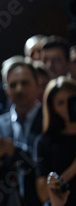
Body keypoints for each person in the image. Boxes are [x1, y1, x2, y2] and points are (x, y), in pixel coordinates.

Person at [0, 56, 43, 206]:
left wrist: (17, 152)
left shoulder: (49, 121)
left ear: (38, 85)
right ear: (6, 90)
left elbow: (52, 164)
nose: (19, 89)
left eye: (25, 83)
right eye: (13, 85)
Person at [34, 77, 76, 205]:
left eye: (71, 100)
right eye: (61, 103)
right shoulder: (45, 142)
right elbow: (44, 195)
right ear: (53, 108)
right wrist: (73, 169)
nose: (68, 106)